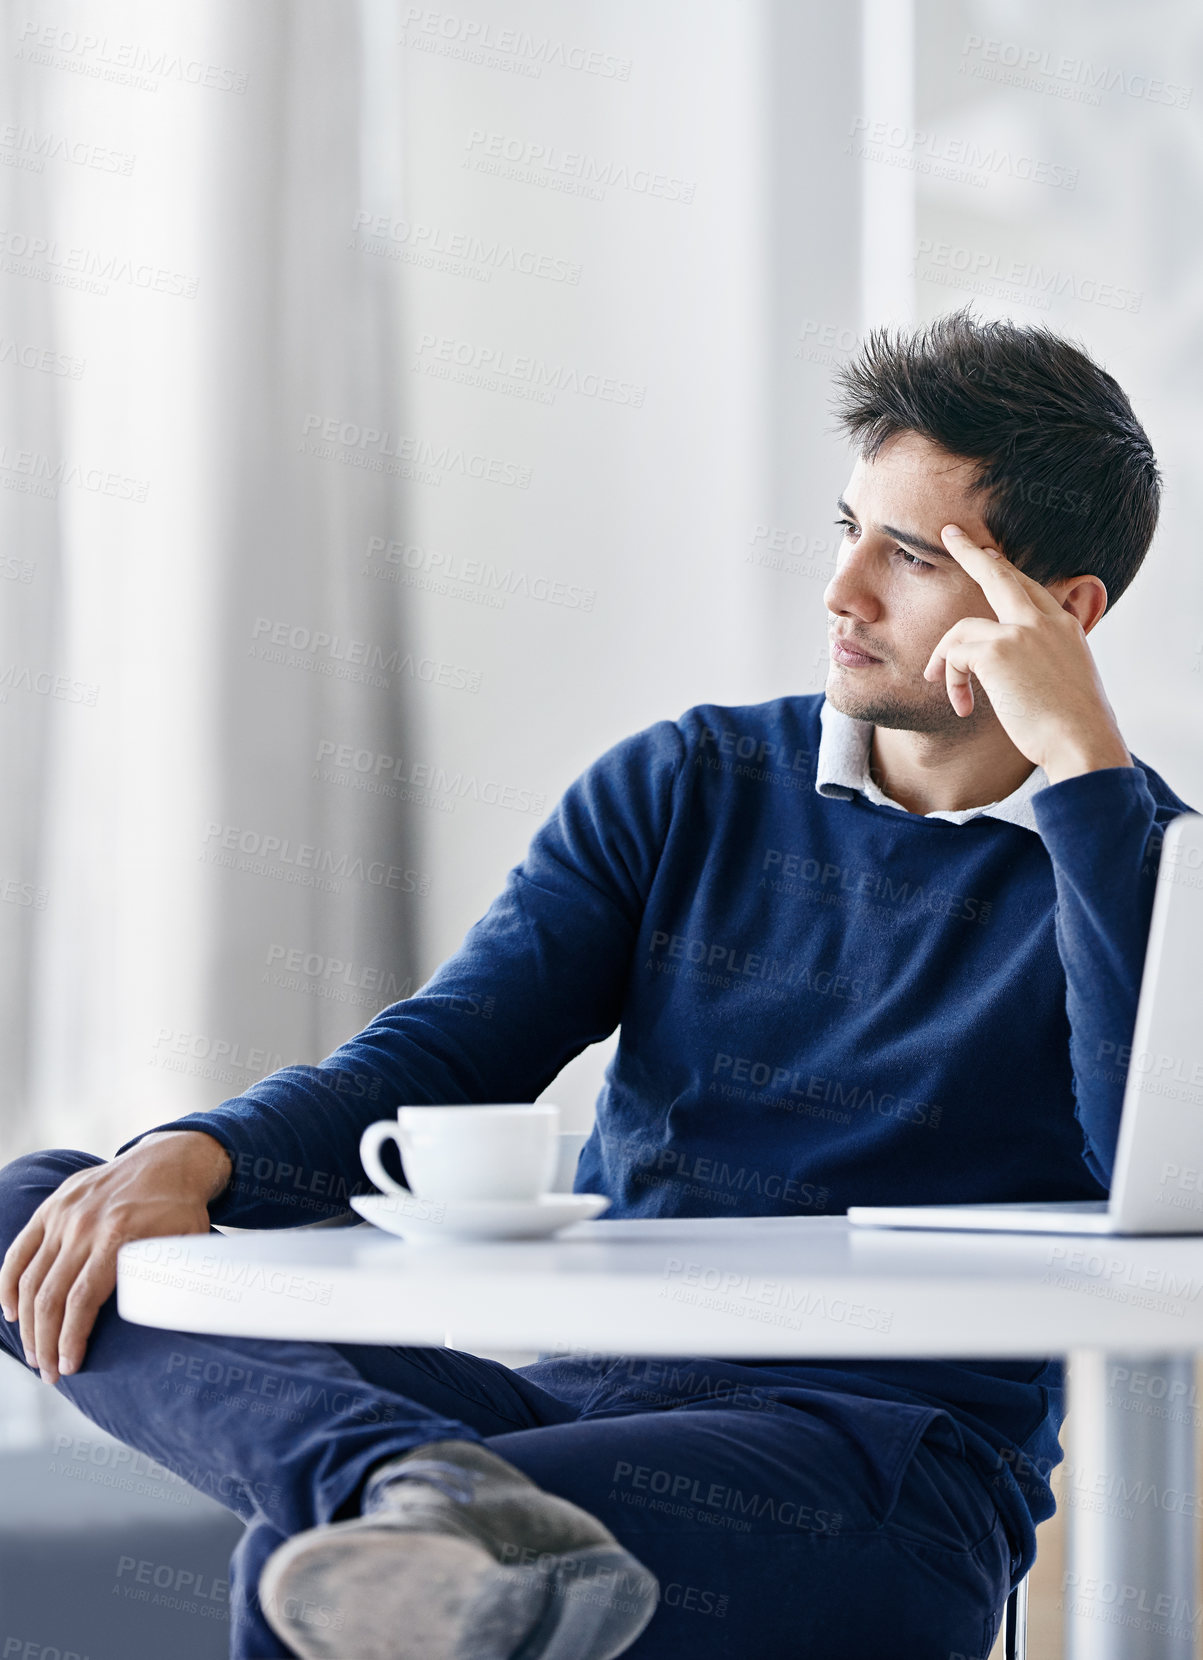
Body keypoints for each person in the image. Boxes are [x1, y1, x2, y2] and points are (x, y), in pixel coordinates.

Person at [0, 307, 1190, 1660]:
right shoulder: (689, 781)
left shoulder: (1142, 871)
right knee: (38, 1204)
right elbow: (447, 1054)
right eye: (846, 528)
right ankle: (395, 1482)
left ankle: (400, 1503)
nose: (842, 589)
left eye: (909, 557)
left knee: (349, 1566)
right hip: (568, 1415)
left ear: (1061, 615)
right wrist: (201, 1153)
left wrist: (1090, 779)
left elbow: (1143, 1178)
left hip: (864, 1473)